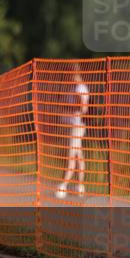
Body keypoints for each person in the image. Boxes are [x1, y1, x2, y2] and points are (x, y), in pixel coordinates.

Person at [55, 63, 90, 199]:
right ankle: (80, 185)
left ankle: (63, 185)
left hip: (76, 126)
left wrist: (69, 106)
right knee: (77, 156)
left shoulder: (80, 88)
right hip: (67, 125)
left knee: (70, 155)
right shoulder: (70, 87)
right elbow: (61, 104)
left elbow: (83, 109)